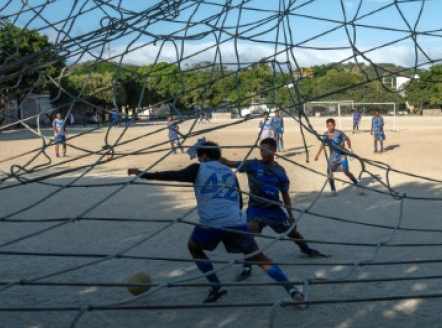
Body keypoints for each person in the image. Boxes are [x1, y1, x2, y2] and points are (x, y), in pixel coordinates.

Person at [127, 140, 305, 304]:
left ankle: (216, 287)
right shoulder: (229, 172)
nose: (199, 160)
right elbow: (239, 201)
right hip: (236, 221)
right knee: (260, 258)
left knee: (193, 247)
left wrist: (144, 174)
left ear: (204, 156)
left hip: (212, 222)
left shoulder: (199, 168)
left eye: (199, 157)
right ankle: (292, 290)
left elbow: (173, 175)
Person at [222, 137, 328, 282]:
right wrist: (211, 154)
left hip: (274, 209)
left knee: (293, 232)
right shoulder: (252, 164)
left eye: (267, 150)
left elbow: (285, 194)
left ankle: (307, 250)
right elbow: (228, 162)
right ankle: (247, 266)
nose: (263, 153)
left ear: (274, 150)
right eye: (261, 150)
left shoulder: (280, 171)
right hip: (256, 208)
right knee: (250, 231)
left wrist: (290, 215)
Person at [314, 118, 362, 196]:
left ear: (334, 125)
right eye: (328, 125)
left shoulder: (339, 133)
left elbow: (348, 139)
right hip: (333, 157)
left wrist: (350, 149)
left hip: (342, 156)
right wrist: (318, 154)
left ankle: (357, 184)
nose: (329, 127)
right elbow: (322, 144)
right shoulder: (325, 135)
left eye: (331, 125)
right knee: (329, 172)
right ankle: (333, 191)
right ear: (326, 126)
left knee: (346, 172)